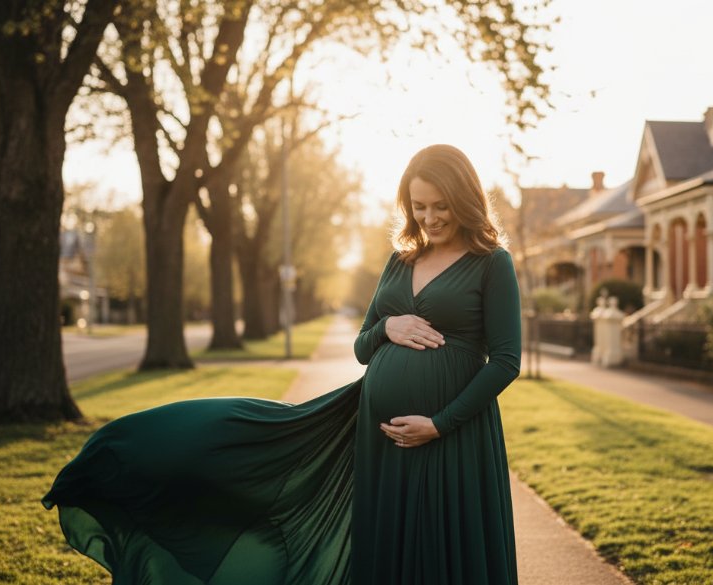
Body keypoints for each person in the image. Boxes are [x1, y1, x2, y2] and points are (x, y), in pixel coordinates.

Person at [42, 143, 522, 585]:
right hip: (382, 444)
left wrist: (439, 424)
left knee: (445, 546)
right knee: (390, 546)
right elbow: (361, 347)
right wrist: (387, 328)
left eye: (441, 206)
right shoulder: (400, 260)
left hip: (454, 438)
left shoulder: (490, 262)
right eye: (419, 206)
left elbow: (505, 361)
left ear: (464, 198)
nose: (430, 217)